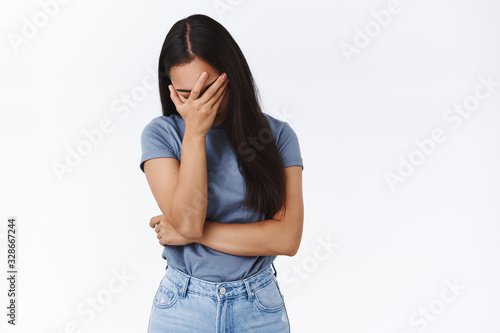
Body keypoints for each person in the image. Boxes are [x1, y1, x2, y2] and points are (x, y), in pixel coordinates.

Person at [139, 13, 304, 333]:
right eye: (187, 95)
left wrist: (194, 234)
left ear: (234, 77)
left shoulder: (278, 136)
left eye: (210, 89)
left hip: (259, 307)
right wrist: (195, 134)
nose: (200, 104)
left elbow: (286, 238)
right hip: (182, 306)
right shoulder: (161, 135)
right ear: (171, 90)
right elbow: (187, 220)